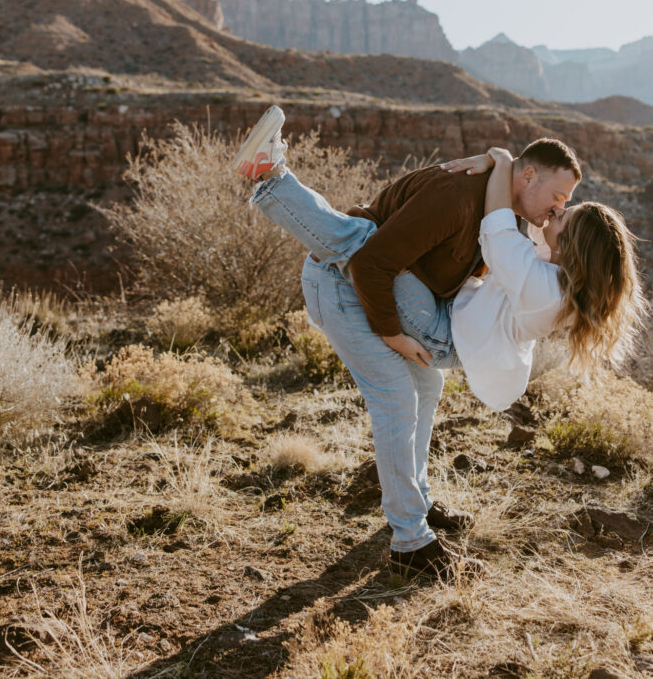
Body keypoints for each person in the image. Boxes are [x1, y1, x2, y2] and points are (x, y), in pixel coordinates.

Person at [232, 106, 644, 581]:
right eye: (559, 198)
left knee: (364, 243)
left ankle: (272, 177)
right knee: (418, 382)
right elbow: (512, 219)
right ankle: (417, 510)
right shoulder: (551, 269)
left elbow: (494, 229)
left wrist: (499, 156)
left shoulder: (536, 276)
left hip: (440, 328)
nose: (556, 209)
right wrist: (496, 162)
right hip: (436, 320)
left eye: (564, 209)